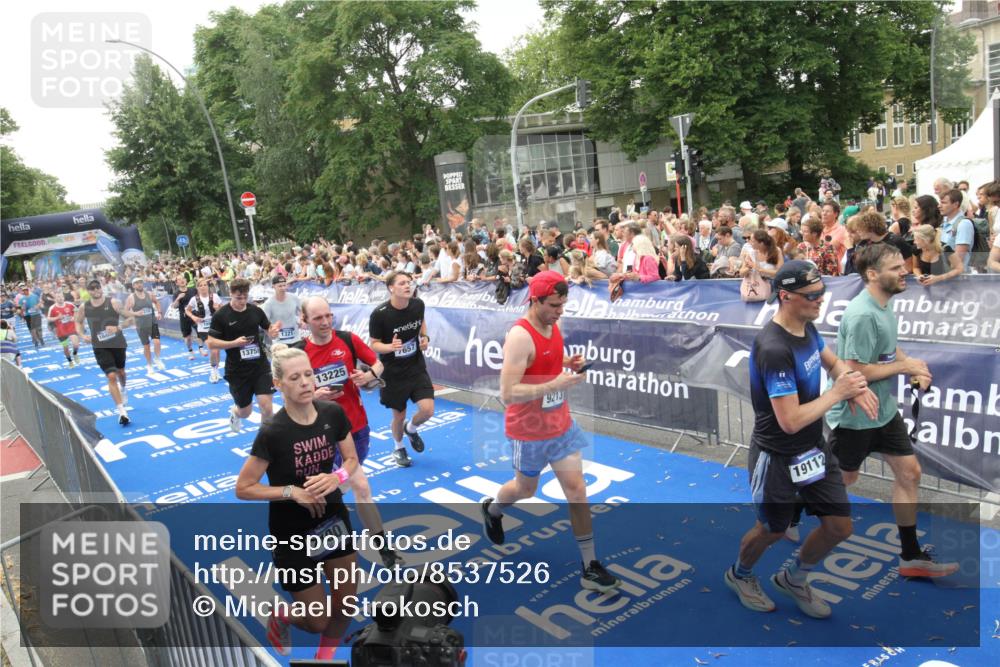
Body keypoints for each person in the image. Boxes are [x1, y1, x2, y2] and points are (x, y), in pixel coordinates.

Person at [725, 260, 878, 618]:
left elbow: (832, 362)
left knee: (839, 526)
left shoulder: (806, 328)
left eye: (822, 292)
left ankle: (794, 579)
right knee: (773, 530)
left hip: (813, 450)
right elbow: (790, 420)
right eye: (811, 296)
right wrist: (838, 394)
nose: (820, 300)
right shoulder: (774, 348)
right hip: (776, 455)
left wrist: (851, 384)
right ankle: (740, 574)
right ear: (785, 296)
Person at [480, 271, 621, 592]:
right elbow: (507, 392)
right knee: (524, 489)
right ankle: (493, 510)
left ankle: (590, 566)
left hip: (560, 424)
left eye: (563, 305)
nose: (560, 311)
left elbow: (545, 367)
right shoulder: (519, 336)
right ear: (536, 300)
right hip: (528, 430)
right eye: (555, 305)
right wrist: (555, 383)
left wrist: (567, 365)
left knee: (577, 490)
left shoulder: (553, 324)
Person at [826, 244, 958, 577]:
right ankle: (791, 509)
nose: (905, 272)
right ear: (873, 275)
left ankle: (910, 557)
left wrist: (907, 364)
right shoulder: (861, 314)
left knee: (909, 472)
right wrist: (904, 368)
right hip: (854, 415)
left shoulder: (883, 305)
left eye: (904, 266)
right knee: (845, 478)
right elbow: (854, 371)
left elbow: (887, 348)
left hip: (883, 411)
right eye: (896, 268)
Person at [235, 344, 359, 659]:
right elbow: (244, 487)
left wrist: (338, 479)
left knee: (345, 604)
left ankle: (323, 659)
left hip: (333, 521)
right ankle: (283, 616)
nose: (305, 382)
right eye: (295, 377)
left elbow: (351, 461)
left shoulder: (332, 413)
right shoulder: (272, 432)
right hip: (292, 533)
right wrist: (292, 492)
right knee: (317, 621)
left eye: (308, 374)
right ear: (278, 385)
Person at [294, 296, 402, 568]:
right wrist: (313, 395)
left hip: (356, 428)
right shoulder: (298, 352)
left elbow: (378, 363)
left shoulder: (348, 340)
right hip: (322, 435)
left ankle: (318, 523)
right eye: (318, 318)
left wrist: (369, 376)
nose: (326, 322)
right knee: (361, 486)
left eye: (328, 315)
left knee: (339, 487)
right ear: (305, 321)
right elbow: (289, 396)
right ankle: (383, 547)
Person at [368, 271, 434, 468]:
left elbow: (421, 322)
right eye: (402, 283)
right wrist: (390, 348)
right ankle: (398, 447)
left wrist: (425, 338)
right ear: (391, 288)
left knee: (428, 410)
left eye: (409, 282)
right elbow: (374, 343)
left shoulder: (417, 304)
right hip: (393, 372)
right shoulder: (380, 314)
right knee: (399, 415)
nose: (408, 285)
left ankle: (411, 429)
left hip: (415, 366)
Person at [207, 278, 282, 433]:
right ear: (231, 294)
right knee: (245, 412)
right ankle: (235, 412)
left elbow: (268, 329)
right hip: (237, 370)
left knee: (267, 407)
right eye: (238, 298)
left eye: (245, 297)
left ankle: (266, 444)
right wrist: (233, 343)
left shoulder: (255, 310)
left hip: (260, 366)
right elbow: (211, 343)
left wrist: (273, 332)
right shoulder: (221, 315)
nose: (242, 301)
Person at [75, 279, 130, 426]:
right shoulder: (84, 307)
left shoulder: (114, 302)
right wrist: (82, 335)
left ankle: (123, 389)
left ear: (101, 288)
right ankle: (122, 412)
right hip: (99, 345)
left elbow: (130, 319)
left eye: (97, 287)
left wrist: (118, 328)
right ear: (88, 291)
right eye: (92, 289)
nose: (95, 290)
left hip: (117, 343)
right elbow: (78, 322)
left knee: (121, 373)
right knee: (111, 376)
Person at [184, 278, 223, 383]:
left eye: (205, 284)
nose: (203, 287)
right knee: (213, 350)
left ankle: (216, 370)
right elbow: (187, 310)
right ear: (197, 287)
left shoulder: (214, 296)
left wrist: (217, 308)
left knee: (217, 351)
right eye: (200, 285)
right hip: (203, 328)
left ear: (208, 286)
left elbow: (223, 311)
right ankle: (213, 371)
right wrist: (193, 317)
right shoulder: (194, 299)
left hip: (215, 327)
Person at [124, 278, 165, 374]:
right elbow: (125, 311)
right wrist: (135, 313)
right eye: (137, 283)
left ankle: (157, 358)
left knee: (157, 342)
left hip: (152, 322)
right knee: (146, 346)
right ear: (133, 286)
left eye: (141, 283)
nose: (139, 285)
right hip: (141, 325)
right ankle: (149, 365)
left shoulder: (149, 294)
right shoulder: (131, 297)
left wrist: (159, 312)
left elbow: (157, 302)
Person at [262, 275, 302, 345]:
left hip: (295, 338)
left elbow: (303, 310)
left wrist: (302, 320)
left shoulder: (294, 298)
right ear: (273, 286)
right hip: (278, 341)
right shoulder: (268, 303)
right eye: (280, 286)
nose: (283, 288)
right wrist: (270, 333)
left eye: (284, 285)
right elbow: (264, 323)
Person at [46, 291, 80, 368]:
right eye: (58, 297)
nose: (60, 298)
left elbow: (77, 311)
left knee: (76, 344)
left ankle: (75, 353)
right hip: (61, 331)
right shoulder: (52, 308)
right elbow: (48, 318)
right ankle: (70, 361)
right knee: (66, 348)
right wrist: (57, 318)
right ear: (55, 298)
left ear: (63, 297)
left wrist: (74, 317)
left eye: (61, 296)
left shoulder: (70, 304)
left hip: (71, 327)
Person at [172, 275, 202, 360]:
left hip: (194, 315)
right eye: (179, 279)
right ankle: (190, 351)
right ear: (177, 283)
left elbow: (200, 299)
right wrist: (178, 298)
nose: (182, 280)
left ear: (186, 280)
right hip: (184, 317)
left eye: (183, 278)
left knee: (200, 331)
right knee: (188, 338)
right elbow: (174, 306)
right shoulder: (176, 293)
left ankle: (201, 348)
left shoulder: (193, 290)